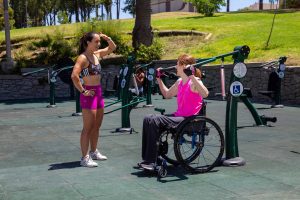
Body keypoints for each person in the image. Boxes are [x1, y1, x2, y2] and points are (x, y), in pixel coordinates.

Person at [138, 54, 209, 169]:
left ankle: (151, 161)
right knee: (148, 118)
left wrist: (191, 76)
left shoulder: (194, 81)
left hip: (189, 120)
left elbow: (205, 94)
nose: (175, 67)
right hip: (179, 117)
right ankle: (149, 158)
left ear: (184, 66)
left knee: (155, 120)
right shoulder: (180, 82)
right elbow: (167, 94)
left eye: (177, 64)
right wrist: (159, 79)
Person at [71, 32, 116, 167]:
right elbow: (74, 76)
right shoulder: (83, 58)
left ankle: (94, 152)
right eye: (96, 41)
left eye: (99, 41)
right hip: (89, 94)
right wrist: (83, 90)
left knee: (97, 125)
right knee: (88, 127)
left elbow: (112, 48)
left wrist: (107, 38)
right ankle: (84, 158)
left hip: (98, 92)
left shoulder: (96, 55)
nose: (98, 44)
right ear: (88, 43)